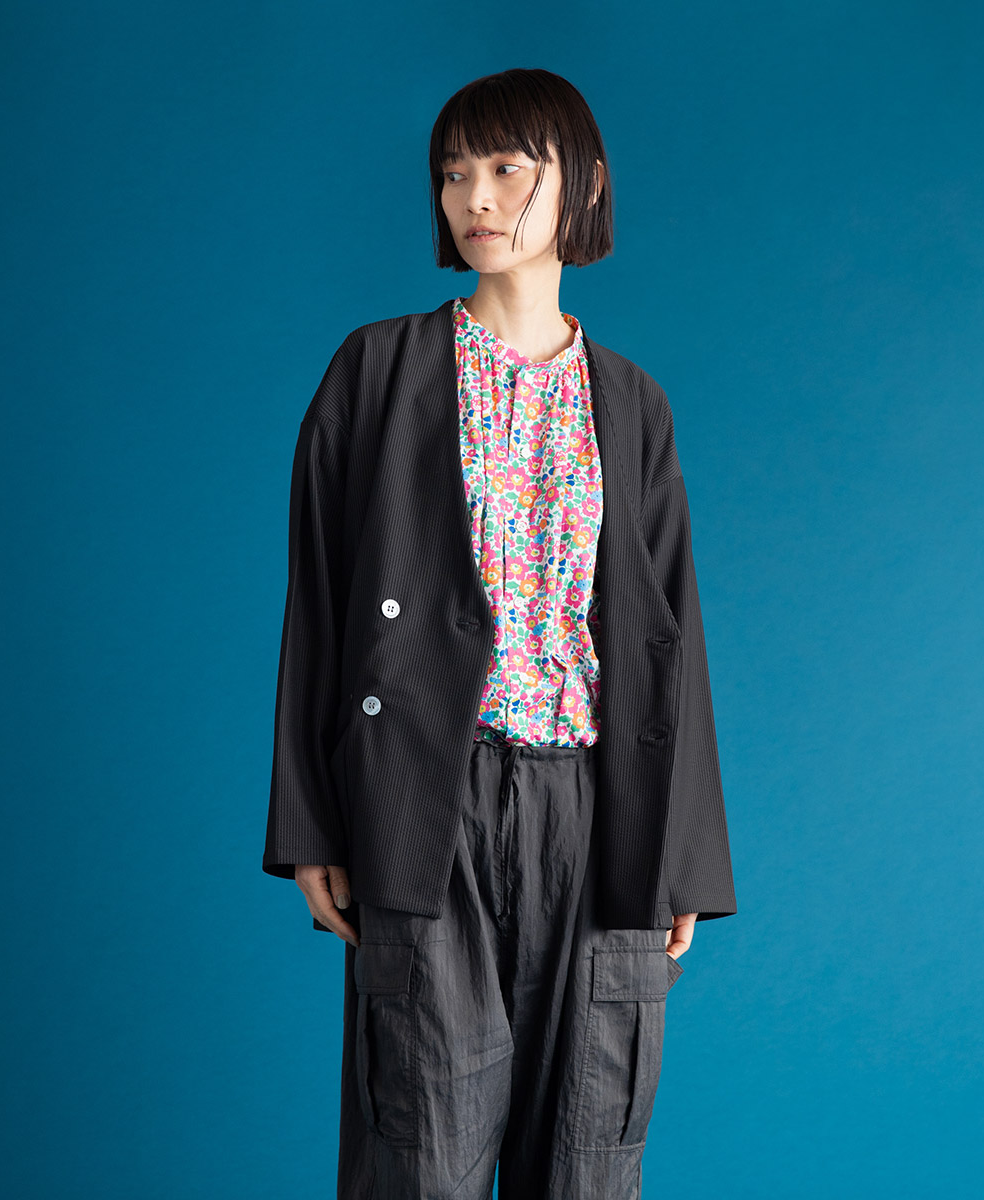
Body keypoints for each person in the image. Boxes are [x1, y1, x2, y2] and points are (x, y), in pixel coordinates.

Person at [262, 67, 736, 1199]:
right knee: (420, 1152)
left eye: (509, 168)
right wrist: (310, 819)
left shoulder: (633, 402)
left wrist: (684, 854)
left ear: (584, 187)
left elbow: (669, 635)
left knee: (589, 1155)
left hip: (602, 811)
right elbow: (318, 601)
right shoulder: (377, 371)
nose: (475, 196)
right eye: (453, 172)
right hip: (429, 802)